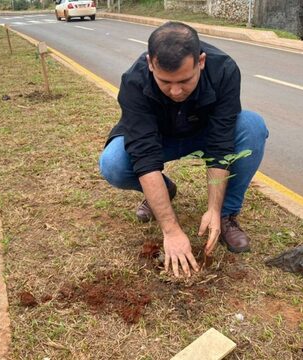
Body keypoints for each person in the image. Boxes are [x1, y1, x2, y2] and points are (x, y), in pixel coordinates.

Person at [99, 22, 269, 278]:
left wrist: (213, 208)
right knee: (113, 163)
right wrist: (171, 230)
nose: (175, 91)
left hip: (203, 133)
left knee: (251, 126)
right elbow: (144, 155)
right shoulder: (134, 82)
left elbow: (221, 145)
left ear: (201, 61)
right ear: (150, 64)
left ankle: (225, 216)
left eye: (184, 81)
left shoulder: (224, 70)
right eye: (165, 82)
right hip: (158, 138)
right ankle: (163, 192)